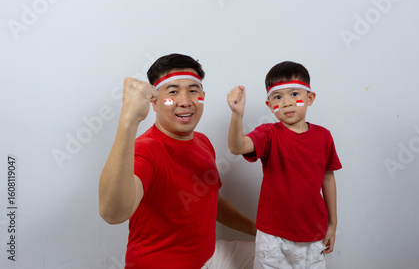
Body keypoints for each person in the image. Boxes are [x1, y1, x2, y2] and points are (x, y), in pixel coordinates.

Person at [99, 53, 256, 269]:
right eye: (172, 92)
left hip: (208, 257)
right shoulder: (146, 150)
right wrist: (129, 121)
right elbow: (113, 214)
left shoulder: (203, 142)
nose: (185, 101)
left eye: (193, 91)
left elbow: (212, 203)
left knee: (285, 252)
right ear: (154, 102)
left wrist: (258, 230)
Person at [227, 61, 342, 268]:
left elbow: (328, 178)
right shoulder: (268, 133)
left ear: (310, 98)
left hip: (313, 233)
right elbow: (237, 147)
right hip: (273, 237)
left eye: (294, 94)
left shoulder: (324, 136)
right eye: (278, 97)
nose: (287, 102)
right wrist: (237, 115)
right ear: (270, 105)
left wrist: (332, 225)